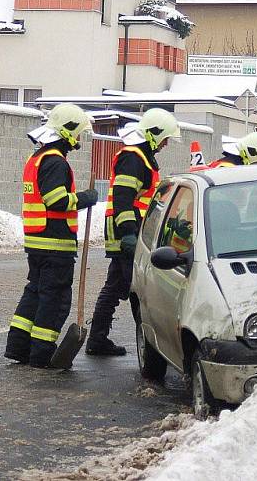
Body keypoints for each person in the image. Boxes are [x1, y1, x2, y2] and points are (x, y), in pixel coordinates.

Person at [4, 104, 99, 368]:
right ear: (67, 132)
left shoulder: (37, 158)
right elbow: (55, 200)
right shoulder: (55, 161)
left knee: (35, 293)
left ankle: (18, 346)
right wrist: (85, 199)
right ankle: (42, 353)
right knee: (53, 299)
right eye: (78, 133)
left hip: (37, 243)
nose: (79, 139)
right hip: (54, 244)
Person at [86, 108, 180, 356]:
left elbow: (146, 202)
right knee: (136, 288)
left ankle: (98, 339)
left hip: (131, 229)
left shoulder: (141, 157)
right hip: (126, 231)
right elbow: (123, 198)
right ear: (153, 135)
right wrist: (128, 233)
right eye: (165, 139)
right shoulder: (134, 158)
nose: (166, 144)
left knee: (117, 286)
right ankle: (147, 346)